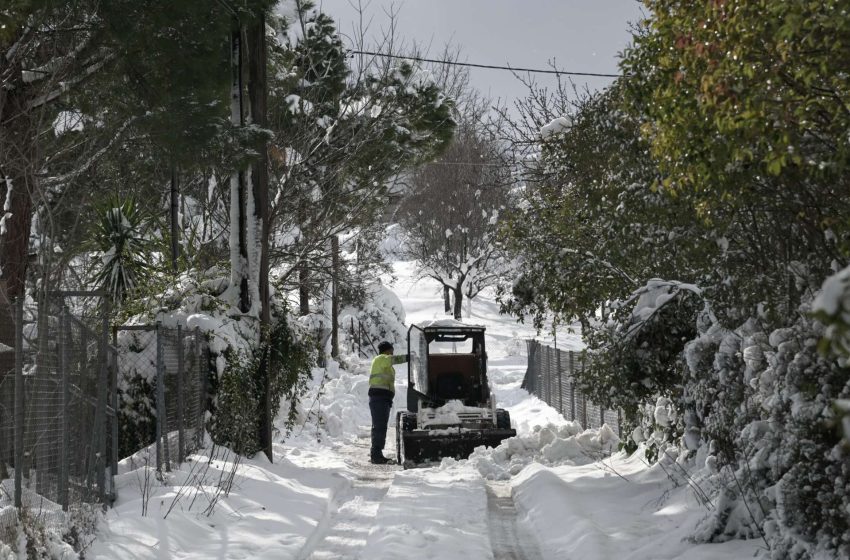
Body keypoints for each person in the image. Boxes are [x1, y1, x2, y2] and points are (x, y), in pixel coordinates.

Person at [368, 340, 408, 464]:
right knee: (379, 426)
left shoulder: (383, 363)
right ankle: (376, 455)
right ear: (387, 350)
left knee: (380, 426)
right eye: (391, 350)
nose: (393, 353)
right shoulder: (381, 358)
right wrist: (408, 357)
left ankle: (376, 453)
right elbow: (393, 360)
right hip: (379, 398)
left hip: (383, 398)